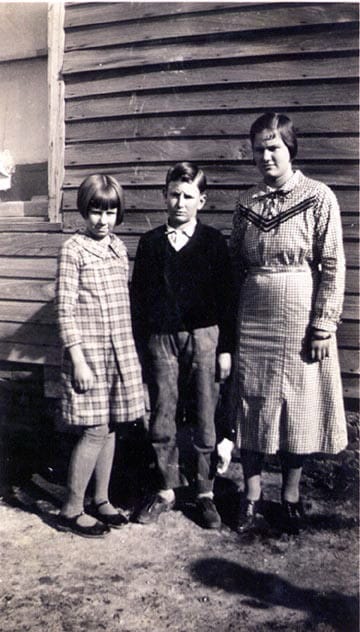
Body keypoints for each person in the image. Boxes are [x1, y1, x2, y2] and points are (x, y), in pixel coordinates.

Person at [223, 112, 348, 534]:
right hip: (254, 314)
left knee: (298, 405)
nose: (265, 156)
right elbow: (235, 263)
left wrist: (323, 325)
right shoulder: (247, 203)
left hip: (299, 317)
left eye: (273, 147)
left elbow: (332, 264)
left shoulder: (318, 197)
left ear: (290, 149)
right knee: (252, 404)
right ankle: (251, 495)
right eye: (258, 149)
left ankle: (290, 494)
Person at [130, 161, 235, 529]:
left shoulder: (212, 243)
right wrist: (142, 349)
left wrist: (226, 349)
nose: (179, 202)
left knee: (206, 413)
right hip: (161, 339)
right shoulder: (150, 243)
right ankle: (165, 488)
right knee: (162, 413)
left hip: (205, 337)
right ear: (164, 195)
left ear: (201, 201)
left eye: (188, 196)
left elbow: (227, 299)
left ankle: (205, 492)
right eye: (173, 194)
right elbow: (138, 300)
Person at [55, 174, 145, 538]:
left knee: (110, 428)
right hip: (88, 356)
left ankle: (101, 499)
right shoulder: (73, 250)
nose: (102, 220)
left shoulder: (117, 248)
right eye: (95, 212)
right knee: (93, 429)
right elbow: (64, 310)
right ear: (84, 211)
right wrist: (77, 358)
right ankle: (70, 508)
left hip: (118, 352)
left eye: (110, 213)